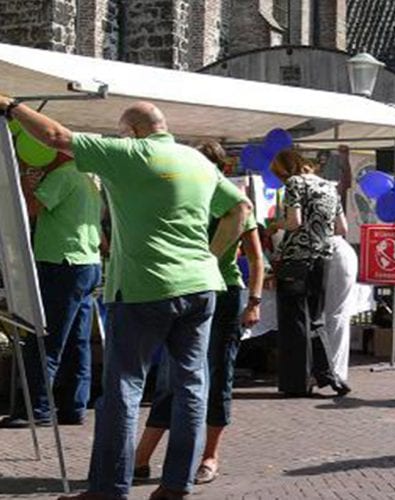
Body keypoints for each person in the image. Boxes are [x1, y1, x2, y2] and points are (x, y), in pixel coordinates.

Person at [0, 96, 251, 500]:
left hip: (143, 289)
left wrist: (10, 105)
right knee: (191, 386)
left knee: (123, 389)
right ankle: (176, 485)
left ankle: (108, 488)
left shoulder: (129, 153)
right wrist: (211, 254)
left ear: (131, 131)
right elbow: (240, 207)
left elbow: (54, 136)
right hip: (201, 288)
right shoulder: (197, 161)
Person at [133, 141, 265, 485]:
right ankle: (142, 456)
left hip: (223, 295)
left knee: (218, 374)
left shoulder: (234, 202)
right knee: (170, 375)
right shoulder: (183, 195)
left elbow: (256, 259)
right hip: (185, 290)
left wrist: (254, 301)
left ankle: (209, 455)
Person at [0, 144, 102, 428]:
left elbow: (30, 210)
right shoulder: (87, 175)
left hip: (62, 263)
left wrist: (24, 187)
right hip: (86, 262)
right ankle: (73, 406)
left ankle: (36, 409)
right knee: (76, 342)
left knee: (45, 339)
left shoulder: (63, 175)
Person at [270, 149, 349, 397]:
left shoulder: (294, 183)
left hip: (296, 259)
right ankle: (329, 374)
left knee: (294, 321)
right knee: (315, 319)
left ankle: (297, 382)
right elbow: (342, 228)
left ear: (285, 170)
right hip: (322, 259)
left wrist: (275, 224)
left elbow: (293, 222)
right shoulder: (329, 186)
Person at [322, 235, 358, 382]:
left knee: (333, 316)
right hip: (340, 251)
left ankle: (331, 371)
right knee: (339, 316)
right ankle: (335, 371)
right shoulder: (334, 211)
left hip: (328, 252)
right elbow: (342, 228)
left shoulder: (296, 212)